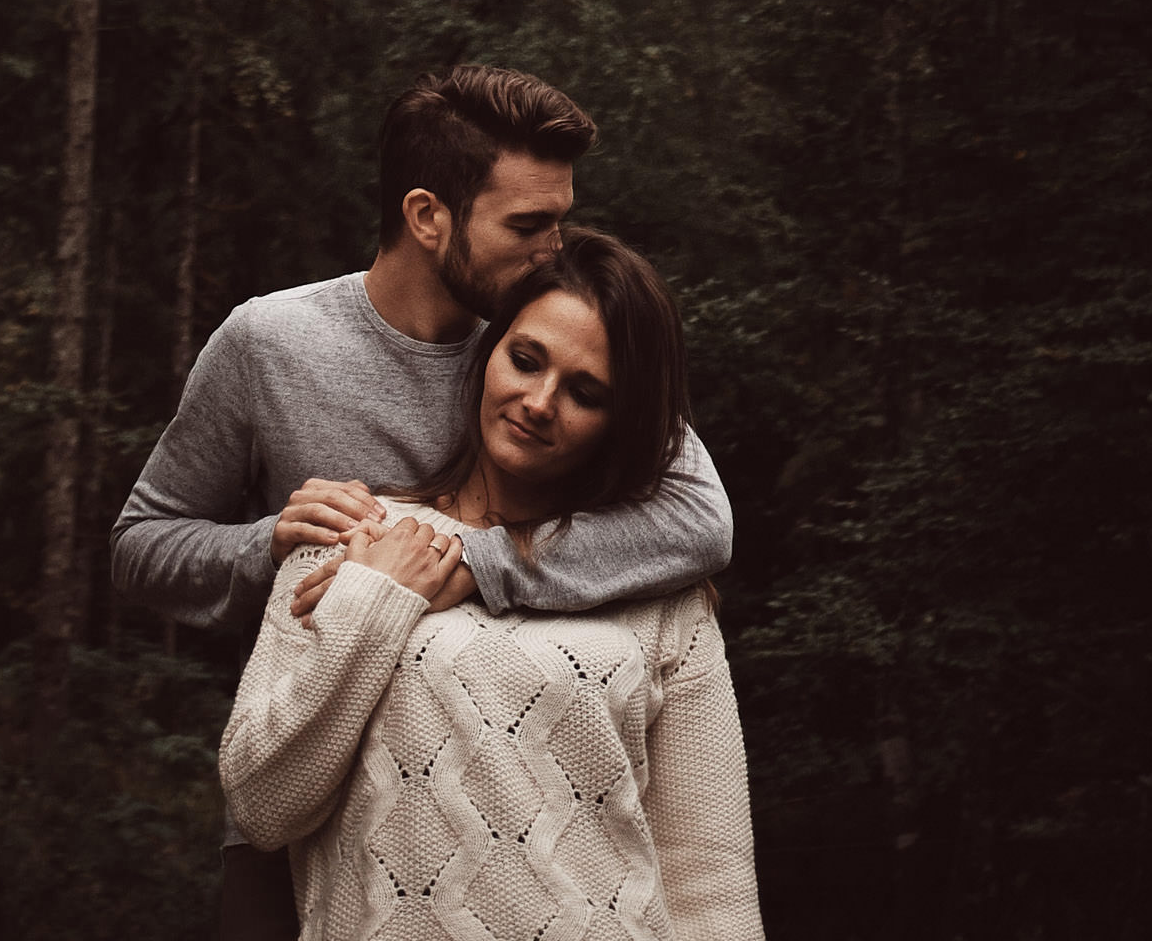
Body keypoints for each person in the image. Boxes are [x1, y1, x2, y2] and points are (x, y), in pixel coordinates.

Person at [111, 64, 735, 941]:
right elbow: (141, 546)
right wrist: (266, 543)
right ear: (427, 215)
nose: (555, 248)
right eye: (530, 224)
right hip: (303, 798)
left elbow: (702, 522)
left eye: (561, 220)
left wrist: (474, 565)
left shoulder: (541, 346)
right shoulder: (271, 344)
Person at [219, 229, 762, 941]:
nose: (539, 402)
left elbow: (708, 877)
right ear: (486, 354)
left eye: (585, 392)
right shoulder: (352, 540)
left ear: (619, 422)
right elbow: (263, 804)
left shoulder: (664, 589)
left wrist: (472, 566)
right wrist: (375, 600)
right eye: (526, 360)